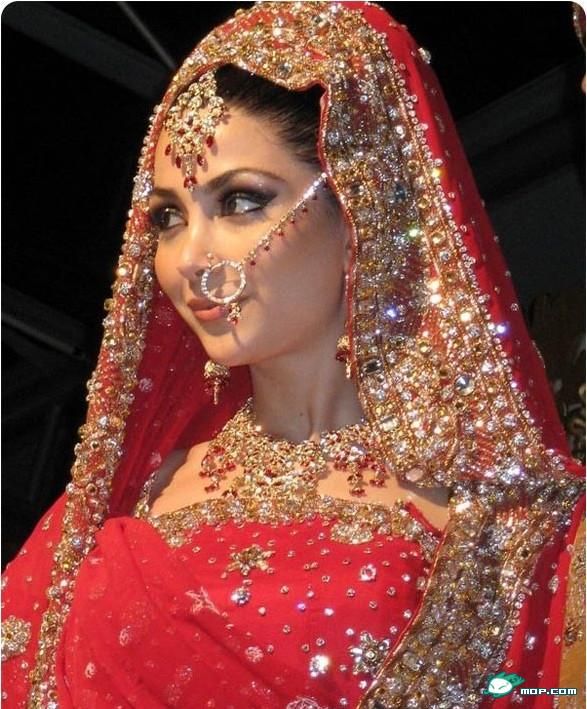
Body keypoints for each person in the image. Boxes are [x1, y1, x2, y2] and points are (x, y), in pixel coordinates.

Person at [2, 2, 584, 707]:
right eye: (168, 217)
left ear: (363, 208)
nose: (189, 258)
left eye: (241, 201)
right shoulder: (114, 503)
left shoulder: (513, 533)